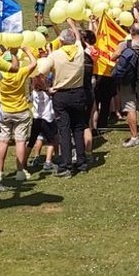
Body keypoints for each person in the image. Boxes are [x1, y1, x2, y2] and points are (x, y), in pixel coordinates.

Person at [49, 24, 91, 177]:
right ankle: (81, 162)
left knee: (64, 130)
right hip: (79, 93)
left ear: (61, 41)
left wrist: (47, 88)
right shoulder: (79, 50)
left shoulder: (55, 55)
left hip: (61, 95)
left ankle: (67, 165)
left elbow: (40, 72)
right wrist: (71, 22)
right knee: (79, 128)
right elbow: (78, 38)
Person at [0, 48, 38, 180]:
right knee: (20, 141)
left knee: (2, 141)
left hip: (4, 111)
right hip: (21, 111)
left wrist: (1, 52)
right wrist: (27, 50)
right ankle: (20, 171)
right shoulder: (20, 72)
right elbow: (34, 63)